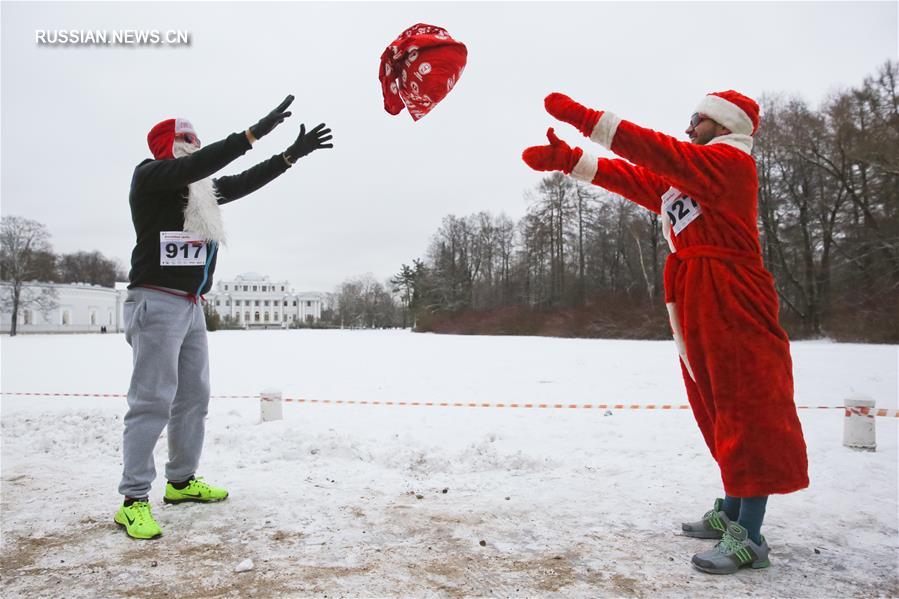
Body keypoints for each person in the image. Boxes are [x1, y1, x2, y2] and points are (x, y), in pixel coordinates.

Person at [522, 90, 808, 574]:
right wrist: (572, 161)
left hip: (731, 291)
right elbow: (643, 179)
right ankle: (734, 508)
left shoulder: (728, 164)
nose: (688, 127)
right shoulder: (695, 174)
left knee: (746, 402)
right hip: (697, 289)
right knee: (715, 401)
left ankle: (750, 535)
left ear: (722, 124)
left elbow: (654, 151)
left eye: (695, 119)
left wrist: (588, 121)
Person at [115, 96, 333, 540]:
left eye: (197, 139)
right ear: (165, 145)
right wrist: (251, 134)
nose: (195, 145)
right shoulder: (151, 176)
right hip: (155, 301)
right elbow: (201, 165)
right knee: (152, 400)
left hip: (191, 305)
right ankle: (133, 500)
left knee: (193, 396)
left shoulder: (198, 192)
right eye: (186, 139)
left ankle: (180, 482)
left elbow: (243, 181)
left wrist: (290, 156)